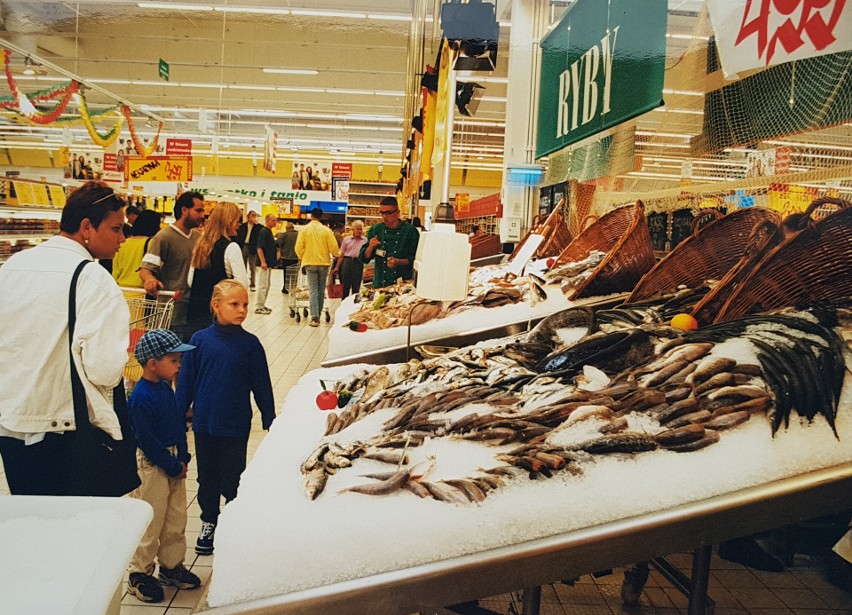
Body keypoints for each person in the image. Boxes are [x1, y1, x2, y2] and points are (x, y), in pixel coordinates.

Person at [0, 181, 130, 495]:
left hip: (12, 423)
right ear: (87, 227)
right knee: (75, 530)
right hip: (68, 432)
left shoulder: (13, 266)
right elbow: (105, 369)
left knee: (33, 521)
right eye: (116, 229)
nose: (122, 239)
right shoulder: (93, 278)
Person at [176, 280, 276, 555]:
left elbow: (261, 384)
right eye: (235, 304)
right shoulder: (199, 341)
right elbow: (186, 383)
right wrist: (176, 415)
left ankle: (233, 520)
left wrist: (270, 417)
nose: (242, 309)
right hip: (205, 423)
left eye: (244, 304)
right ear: (216, 306)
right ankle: (209, 520)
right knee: (207, 477)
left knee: (234, 476)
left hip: (236, 423)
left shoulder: (250, 345)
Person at [126, 329, 201, 603]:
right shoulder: (141, 397)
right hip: (153, 465)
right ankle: (140, 573)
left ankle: (171, 566)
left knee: (175, 517)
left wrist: (183, 455)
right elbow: (146, 440)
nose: (178, 365)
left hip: (172, 462)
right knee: (150, 519)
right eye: (173, 360)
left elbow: (179, 424)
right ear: (152, 363)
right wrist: (171, 464)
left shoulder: (167, 389)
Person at [139, 191, 206, 341]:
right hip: (172, 315)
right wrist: (149, 280)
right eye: (198, 210)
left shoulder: (198, 238)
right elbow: (146, 269)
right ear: (184, 210)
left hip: (194, 312)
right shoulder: (163, 238)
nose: (203, 215)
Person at [186, 202, 248, 337]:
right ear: (228, 221)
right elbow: (242, 284)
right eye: (237, 220)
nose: (239, 225)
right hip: (221, 317)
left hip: (195, 312)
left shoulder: (200, 246)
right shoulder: (231, 247)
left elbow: (190, 281)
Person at [359, 196, 420, 288]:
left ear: (398, 213)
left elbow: (415, 260)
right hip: (380, 284)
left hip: (403, 284)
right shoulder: (376, 230)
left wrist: (398, 262)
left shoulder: (410, 231)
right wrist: (370, 247)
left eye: (388, 213)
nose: (384, 216)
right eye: (382, 213)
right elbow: (364, 258)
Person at [295, 207, 340, 326]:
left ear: (311, 216)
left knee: (313, 290)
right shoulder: (326, 230)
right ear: (321, 217)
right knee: (320, 290)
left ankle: (314, 317)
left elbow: (298, 247)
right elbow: (333, 247)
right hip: (324, 263)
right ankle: (318, 314)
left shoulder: (304, 230)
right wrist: (338, 254)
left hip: (309, 263)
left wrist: (302, 257)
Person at [112, 210, 162, 288]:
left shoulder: (123, 243)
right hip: (142, 292)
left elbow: (115, 271)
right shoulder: (152, 244)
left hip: (122, 289)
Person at [332, 219, 367, 299]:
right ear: (353, 229)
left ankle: (354, 307)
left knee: (356, 287)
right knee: (345, 287)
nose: (359, 231)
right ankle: (344, 305)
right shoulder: (346, 239)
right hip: (347, 263)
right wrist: (337, 267)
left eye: (361, 229)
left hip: (358, 263)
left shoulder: (365, 240)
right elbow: (342, 255)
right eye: (357, 229)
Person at [254, 213, 278, 314]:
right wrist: (263, 261)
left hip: (268, 263)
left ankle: (262, 304)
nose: (275, 222)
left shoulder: (269, 232)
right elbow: (259, 247)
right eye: (273, 220)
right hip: (263, 264)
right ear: (267, 221)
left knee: (267, 285)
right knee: (263, 285)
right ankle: (259, 306)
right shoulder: (264, 232)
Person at [236, 210, 260, 290]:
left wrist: (257, 224)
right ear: (248, 216)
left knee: (252, 267)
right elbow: (239, 236)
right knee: (242, 266)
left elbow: (261, 232)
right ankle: (242, 282)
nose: (253, 217)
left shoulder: (258, 227)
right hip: (244, 246)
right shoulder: (243, 226)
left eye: (255, 215)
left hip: (252, 247)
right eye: (252, 215)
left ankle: (252, 284)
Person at [276, 221, 299, 294]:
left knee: (286, 274)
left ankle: (285, 288)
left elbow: (277, 243)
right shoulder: (298, 234)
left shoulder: (285, 235)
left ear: (287, 229)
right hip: (295, 258)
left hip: (286, 258)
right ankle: (293, 287)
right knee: (294, 273)